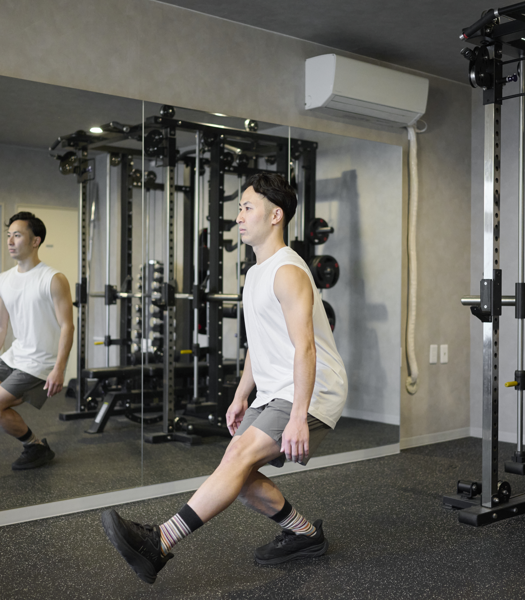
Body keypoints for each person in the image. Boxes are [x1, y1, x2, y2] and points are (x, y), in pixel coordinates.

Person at [102, 172, 348, 585]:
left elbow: (305, 348)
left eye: (247, 207)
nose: (239, 217)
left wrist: (299, 416)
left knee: (235, 461)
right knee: (238, 475)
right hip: (275, 389)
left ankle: (159, 541)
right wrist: (240, 395)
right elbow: (260, 343)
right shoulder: (256, 274)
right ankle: (305, 534)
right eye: (240, 208)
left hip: (312, 387)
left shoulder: (288, 271)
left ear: (275, 215)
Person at [0, 211, 74, 470]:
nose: (10, 241)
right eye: (8, 235)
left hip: (40, 363)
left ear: (35, 241)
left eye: (17, 235)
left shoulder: (53, 279)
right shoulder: (4, 279)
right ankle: (35, 447)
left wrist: (59, 369)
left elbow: (67, 326)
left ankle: (34, 446)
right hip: (15, 356)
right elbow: (1, 326)